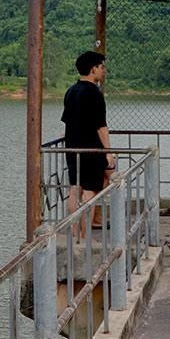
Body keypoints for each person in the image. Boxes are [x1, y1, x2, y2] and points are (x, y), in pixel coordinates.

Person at [61, 51, 116, 232]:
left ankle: (73, 233)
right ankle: (85, 237)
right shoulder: (95, 93)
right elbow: (101, 127)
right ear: (93, 69)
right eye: (102, 67)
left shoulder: (71, 91)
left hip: (72, 148)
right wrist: (107, 152)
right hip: (92, 150)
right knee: (90, 193)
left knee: (75, 189)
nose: (104, 71)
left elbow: (67, 122)